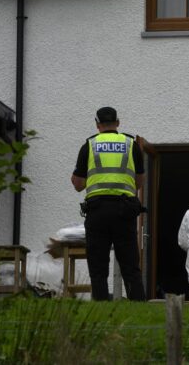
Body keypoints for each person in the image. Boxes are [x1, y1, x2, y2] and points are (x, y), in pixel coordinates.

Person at [71, 106, 146, 301]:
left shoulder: (89, 145)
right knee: (130, 265)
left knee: (98, 267)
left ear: (97, 124)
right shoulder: (131, 145)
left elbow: (78, 184)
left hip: (97, 211)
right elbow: (139, 182)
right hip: (125, 210)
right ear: (118, 123)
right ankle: (138, 306)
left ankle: (101, 307)